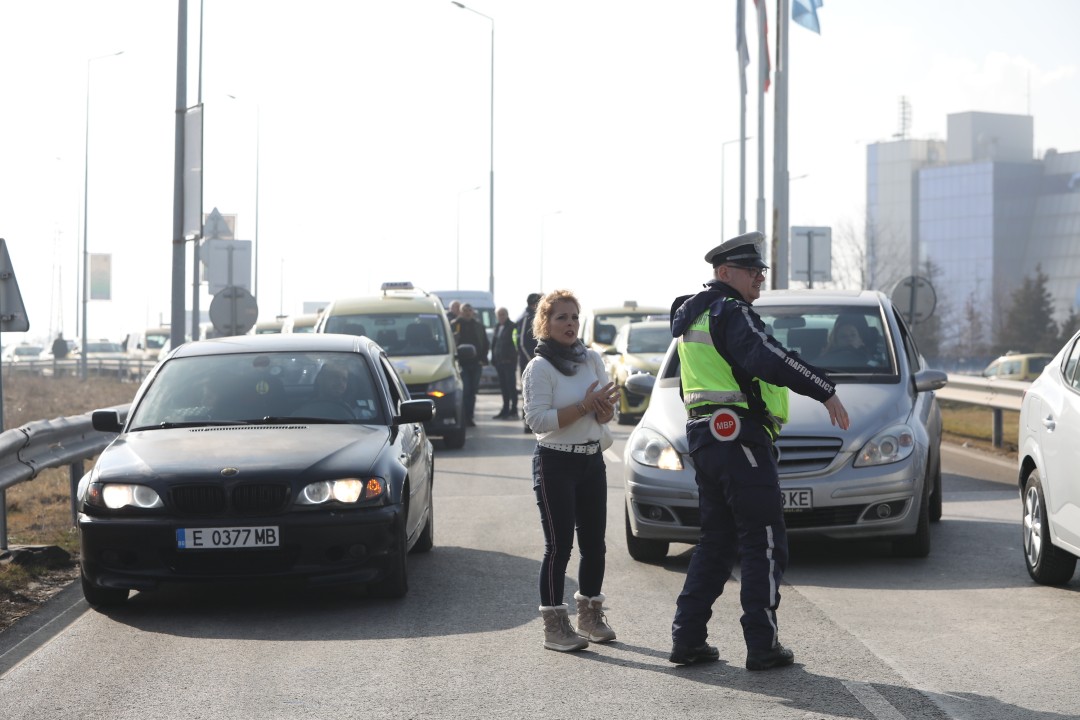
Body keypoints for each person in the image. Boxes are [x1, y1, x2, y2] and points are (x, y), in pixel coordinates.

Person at [668, 231, 850, 671]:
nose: (760, 277)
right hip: (740, 438)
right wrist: (824, 389)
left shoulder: (697, 316)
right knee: (763, 539)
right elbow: (772, 357)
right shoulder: (731, 311)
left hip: (708, 437)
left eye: (761, 270)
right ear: (724, 272)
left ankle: (687, 639)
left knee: (716, 542)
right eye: (752, 271)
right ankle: (762, 644)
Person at [522, 289, 620, 652]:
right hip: (555, 462)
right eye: (562, 317)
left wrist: (604, 408)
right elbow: (538, 421)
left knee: (595, 545)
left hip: (592, 459)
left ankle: (590, 617)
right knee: (559, 546)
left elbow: (606, 414)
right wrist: (583, 406)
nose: (570, 324)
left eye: (575, 316)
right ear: (545, 323)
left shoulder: (591, 358)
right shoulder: (540, 367)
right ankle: (554, 626)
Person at [451, 303, 488, 427]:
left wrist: (483, 358)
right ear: (461, 312)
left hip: (476, 363)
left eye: (469, 310)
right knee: (465, 391)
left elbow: (485, 343)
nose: (467, 312)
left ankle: (470, 416)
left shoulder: (478, 326)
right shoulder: (455, 325)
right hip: (462, 364)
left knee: (472, 392)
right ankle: (464, 417)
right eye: (465, 310)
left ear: (473, 312)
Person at [516, 292, 542, 432]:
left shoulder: (535, 317)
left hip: (536, 361)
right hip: (528, 362)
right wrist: (532, 360)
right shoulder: (527, 318)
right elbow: (521, 343)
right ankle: (528, 423)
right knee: (528, 392)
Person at [490, 307, 518, 419]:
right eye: (499, 315)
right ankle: (505, 409)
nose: (501, 317)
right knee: (503, 387)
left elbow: (515, 344)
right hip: (499, 362)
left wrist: (511, 357)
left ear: (507, 315)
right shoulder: (497, 327)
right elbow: (494, 343)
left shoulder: (512, 326)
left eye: (503, 314)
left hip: (509, 362)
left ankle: (514, 409)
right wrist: (493, 357)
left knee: (511, 386)